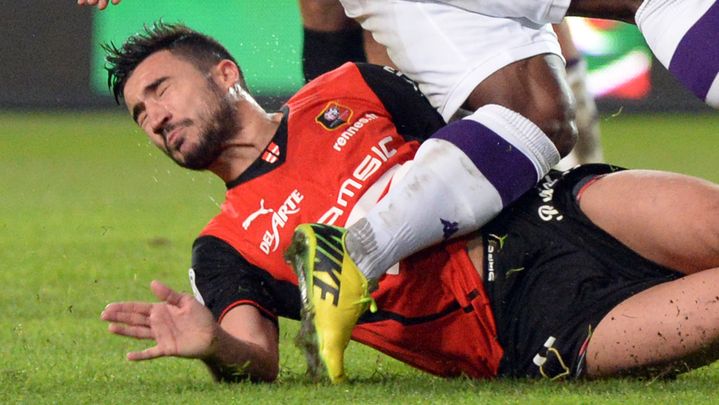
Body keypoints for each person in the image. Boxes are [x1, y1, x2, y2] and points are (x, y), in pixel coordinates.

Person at [99, 23, 719, 384]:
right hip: (528, 325)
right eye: (139, 113)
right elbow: (255, 356)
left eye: (159, 90)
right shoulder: (224, 245)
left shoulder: (351, 87)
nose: (154, 117)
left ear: (224, 74)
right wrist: (215, 348)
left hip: (558, 210)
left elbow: (483, 135)